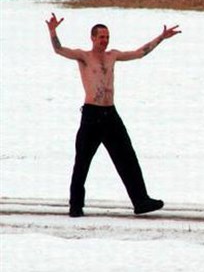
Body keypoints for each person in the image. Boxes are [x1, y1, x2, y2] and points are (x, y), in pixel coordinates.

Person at [45, 13, 181, 217]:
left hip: (110, 115)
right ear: (92, 38)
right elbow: (58, 49)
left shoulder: (113, 56)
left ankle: (141, 201)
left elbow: (139, 53)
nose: (105, 40)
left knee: (128, 158)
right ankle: (75, 206)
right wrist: (53, 31)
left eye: (107, 37)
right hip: (92, 115)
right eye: (101, 37)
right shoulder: (84, 56)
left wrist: (161, 37)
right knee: (82, 161)